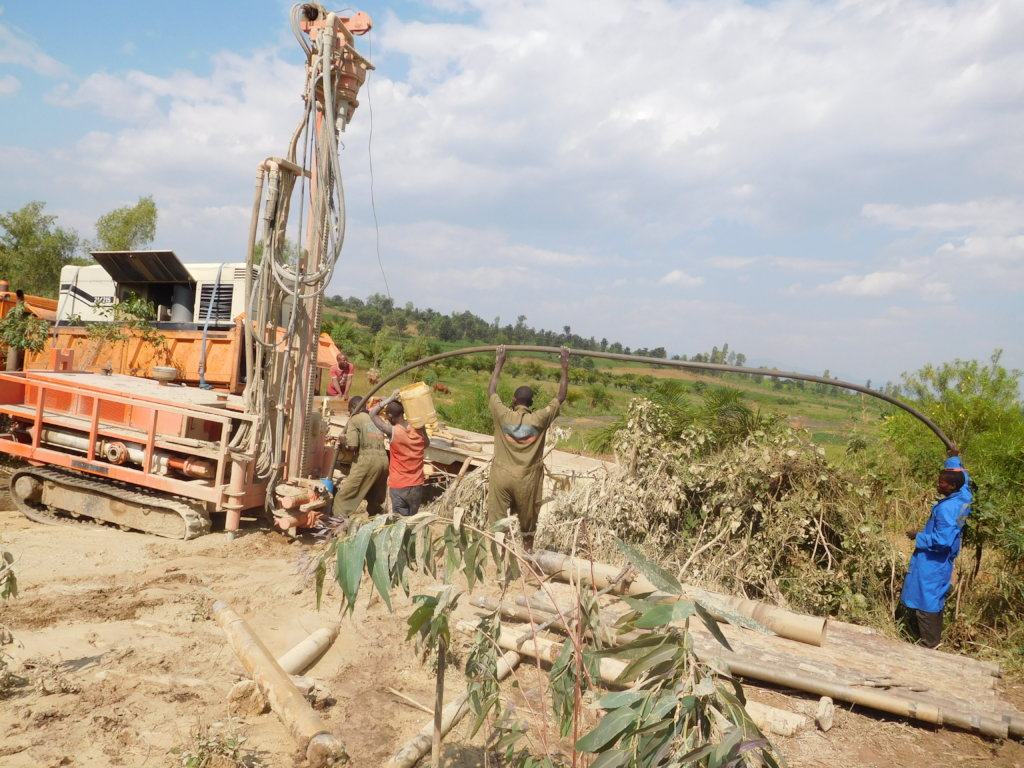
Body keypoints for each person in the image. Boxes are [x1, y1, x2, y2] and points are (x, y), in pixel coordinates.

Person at [485, 345, 570, 538]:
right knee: (527, 528)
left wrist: (499, 363)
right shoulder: (540, 419)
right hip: (527, 481)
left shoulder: (503, 415)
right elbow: (561, 397)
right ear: (531, 403)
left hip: (501, 477)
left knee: (498, 526)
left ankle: (500, 552)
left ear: (513, 400)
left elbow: (491, 391)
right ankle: (527, 551)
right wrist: (564, 365)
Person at [900, 448, 972, 649]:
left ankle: (930, 643)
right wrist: (953, 458)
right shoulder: (963, 497)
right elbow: (964, 480)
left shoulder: (947, 509)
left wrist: (918, 536)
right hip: (941, 562)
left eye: (942, 482)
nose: (938, 484)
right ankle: (931, 639)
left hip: (934, 561)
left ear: (952, 486)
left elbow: (942, 541)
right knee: (933, 595)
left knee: (927, 598)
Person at [370, 392, 430, 517]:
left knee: (399, 522)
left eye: (387, 417)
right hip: (416, 485)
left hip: (399, 485)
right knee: (411, 520)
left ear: (390, 416)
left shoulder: (393, 431)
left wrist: (389, 399)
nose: (387, 420)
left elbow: (372, 414)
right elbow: (426, 443)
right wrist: (421, 424)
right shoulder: (418, 429)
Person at [331, 396, 389, 518]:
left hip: (366, 460)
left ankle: (339, 523)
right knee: (374, 497)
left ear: (353, 407)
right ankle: (377, 521)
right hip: (383, 461)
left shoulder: (355, 419)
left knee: (343, 498)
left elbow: (352, 446)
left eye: (349, 410)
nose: (349, 413)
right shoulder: (376, 418)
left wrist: (343, 441)